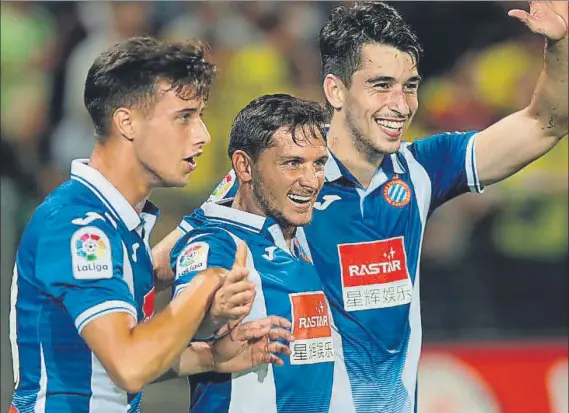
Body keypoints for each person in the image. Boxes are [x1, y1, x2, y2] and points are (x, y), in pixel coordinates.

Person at [154, 2, 568, 412]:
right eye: (381, 85)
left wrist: (561, 43)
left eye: (410, 86)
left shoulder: (422, 169)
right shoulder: (282, 177)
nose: (401, 104)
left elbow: (544, 123)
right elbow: (159, 267)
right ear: (335, 90)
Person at [8, 36, 291, 413]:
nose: (203, 135)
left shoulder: (120, 223)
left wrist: (211, 358)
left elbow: (107, 368)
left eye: (201, 115)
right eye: (184, 116)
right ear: (127, 122)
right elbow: (130, 366)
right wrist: (204, 284)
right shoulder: (80, 227)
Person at [170, 93, 353, 413]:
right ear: (244, 166)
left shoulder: (300, 238)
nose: (311, 181)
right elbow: (177, 332)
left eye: (318, 164)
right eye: (292, 163)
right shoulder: (218, 244)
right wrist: (212, 317)